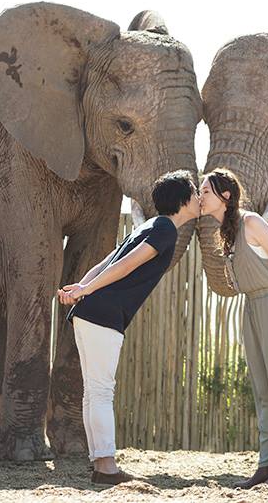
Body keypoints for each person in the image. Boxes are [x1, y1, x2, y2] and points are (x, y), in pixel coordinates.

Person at [57, 169, 199, 486]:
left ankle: (101, 463)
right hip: (103, 313)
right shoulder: (165, 229)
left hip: (91, 311)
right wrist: (84, 289)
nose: (199, 197)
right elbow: (126, 264)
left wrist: (81, 288)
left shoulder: (151, 225)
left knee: (94, 391)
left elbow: (105, 262)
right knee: (101, 390)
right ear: (183, 199)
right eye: (194, 191)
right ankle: (107, 467)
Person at [198, 168, 268, 488]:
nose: (200, 197)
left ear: (225, 195)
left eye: (205, 191)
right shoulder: (228, 233)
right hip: (250, 308)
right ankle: (267, 463)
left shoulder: (252, 222)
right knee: (263, 391)